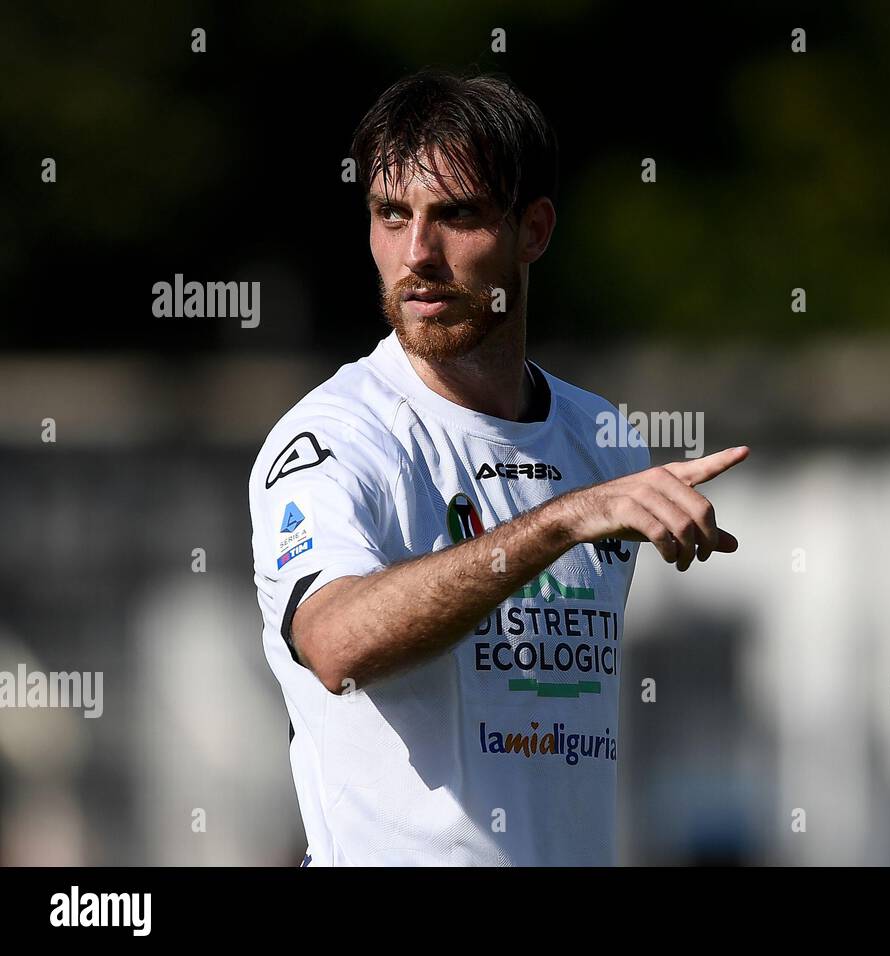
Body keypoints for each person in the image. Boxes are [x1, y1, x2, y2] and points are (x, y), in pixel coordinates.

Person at [248, 68, 749, 865]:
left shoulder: (602, 438)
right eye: (390, 215)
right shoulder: (336, 436)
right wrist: (560, 521)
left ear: (534, 231)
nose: (418, 254)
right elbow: (335, 643)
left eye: (456, 216)